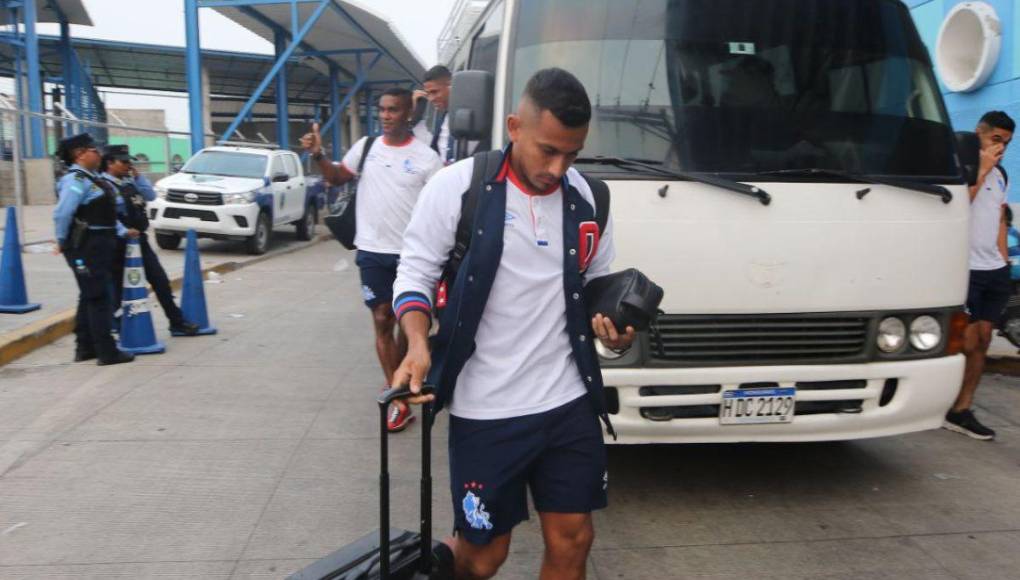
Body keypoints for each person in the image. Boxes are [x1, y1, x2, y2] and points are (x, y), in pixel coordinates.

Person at [391, 68, 635, 580]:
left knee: (574, 539)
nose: (558, 166)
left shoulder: (591, 198)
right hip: (487, 408)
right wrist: (417, 343)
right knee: (483, 557)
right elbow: (415, 271)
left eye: (573, 153)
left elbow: (596, 282)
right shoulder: (458, 188)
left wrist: (611, 324)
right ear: (513, 127)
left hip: (566, 401)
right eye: (548, 150)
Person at [301, 87, 443, 432]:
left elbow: (442, 208)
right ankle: (396, 395)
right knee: (382, 319)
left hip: (413, 256)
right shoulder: (366, 148)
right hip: (372, 252)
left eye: (393, 110)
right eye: (381, 110)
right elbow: (336, 177)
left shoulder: (428, 158)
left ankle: (405, 375)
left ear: (409, 113)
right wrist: (319, 156)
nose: (385, 116)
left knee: (409, 323)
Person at [945, 110, 1015, 441]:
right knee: (966, 340)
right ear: (979, 134)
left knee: (983, 340)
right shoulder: (960, 167)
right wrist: (983, 168)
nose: (1001, 147)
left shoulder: (1001, 174)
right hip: (965, 267)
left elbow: (999, 217)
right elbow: (959, 207)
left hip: (993, 270)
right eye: (996, 139)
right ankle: (944, 402)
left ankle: (962, 408)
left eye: (1007, 143)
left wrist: (1003, 259)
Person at [52, 133, 134, 366]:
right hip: (87, 245)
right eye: (94, 150)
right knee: (98, 296)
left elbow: (106, 213)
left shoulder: (93, 179)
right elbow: (62, 213)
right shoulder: (76, 180)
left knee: (89, 294)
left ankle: (85, 347)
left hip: (99, 243)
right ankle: (107, 352)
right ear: (79, 154)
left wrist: (120, 231)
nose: (99, 153)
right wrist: (61, 239)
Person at [101, 145, 200, 336]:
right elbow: (105, 215)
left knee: (160, 280)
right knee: (117, 286)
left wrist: (138, 177)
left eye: (129, 162)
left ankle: (177, 322)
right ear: (109, 163)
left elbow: (150, 195)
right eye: (124, 162)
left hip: (139, 241)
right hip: (118, 244)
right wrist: (123, 231)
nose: (128, 165)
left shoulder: (130, 181)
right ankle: (121, 328)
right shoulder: (103, 186)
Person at [412, 65, 455, 164]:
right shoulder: (442, 120)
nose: (431, 99)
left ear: (451, 86)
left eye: (434, 92)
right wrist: (413, 115)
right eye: (428, 94)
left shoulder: (470, 116)